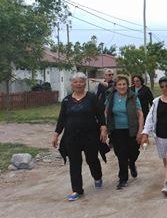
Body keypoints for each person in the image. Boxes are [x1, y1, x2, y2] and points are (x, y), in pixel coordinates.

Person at [52, 72, 107, 201]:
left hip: (90, 136)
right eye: (76, 82)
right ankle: (77, 190)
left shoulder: (92, 98)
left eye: (81, 81)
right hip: (72, 137)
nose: (78, 84)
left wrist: (103, 128)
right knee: (75, 164)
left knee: (92, 159)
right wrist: (56, 135)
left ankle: (97, 177)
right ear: (71, 84)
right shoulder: (66, 100)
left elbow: (100, 115)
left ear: (85, 83)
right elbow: (62, 119)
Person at [105, 76, 144, 189]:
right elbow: (106, 111)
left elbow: (140, 114)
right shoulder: (111, 96)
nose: (122, 87)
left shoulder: (133, 96)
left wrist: (140, 131)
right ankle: (123, 179)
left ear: (128, 85)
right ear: (116, 86)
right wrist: (104, 127)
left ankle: (131, 163)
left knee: (133, 152)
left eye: (124, 84)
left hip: (132, 129)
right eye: (119, 85)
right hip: (116, 130)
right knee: (121, 154)